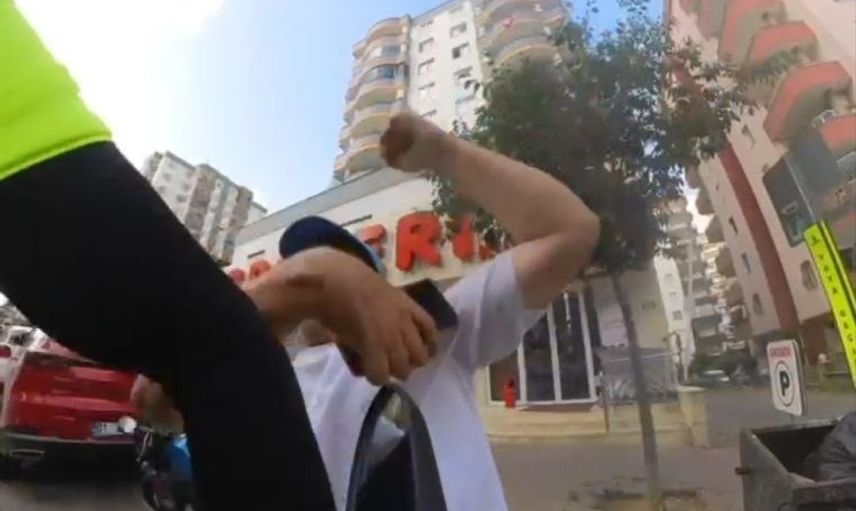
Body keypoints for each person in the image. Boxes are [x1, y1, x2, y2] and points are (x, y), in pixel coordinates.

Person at [0, 2, 438, 509]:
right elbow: (181, 372)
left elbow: (203, 351)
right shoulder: (281, 355)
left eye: (355, 270)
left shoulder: (396, 395)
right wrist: (304, 287)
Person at [137, 112, 601, 510]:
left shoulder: (428, 334)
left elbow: (570, 232)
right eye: (302, 260)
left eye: (345, 262)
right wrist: (306, 282)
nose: (325, 283)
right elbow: (158, 406)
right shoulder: (269, 370)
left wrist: (444, 152)